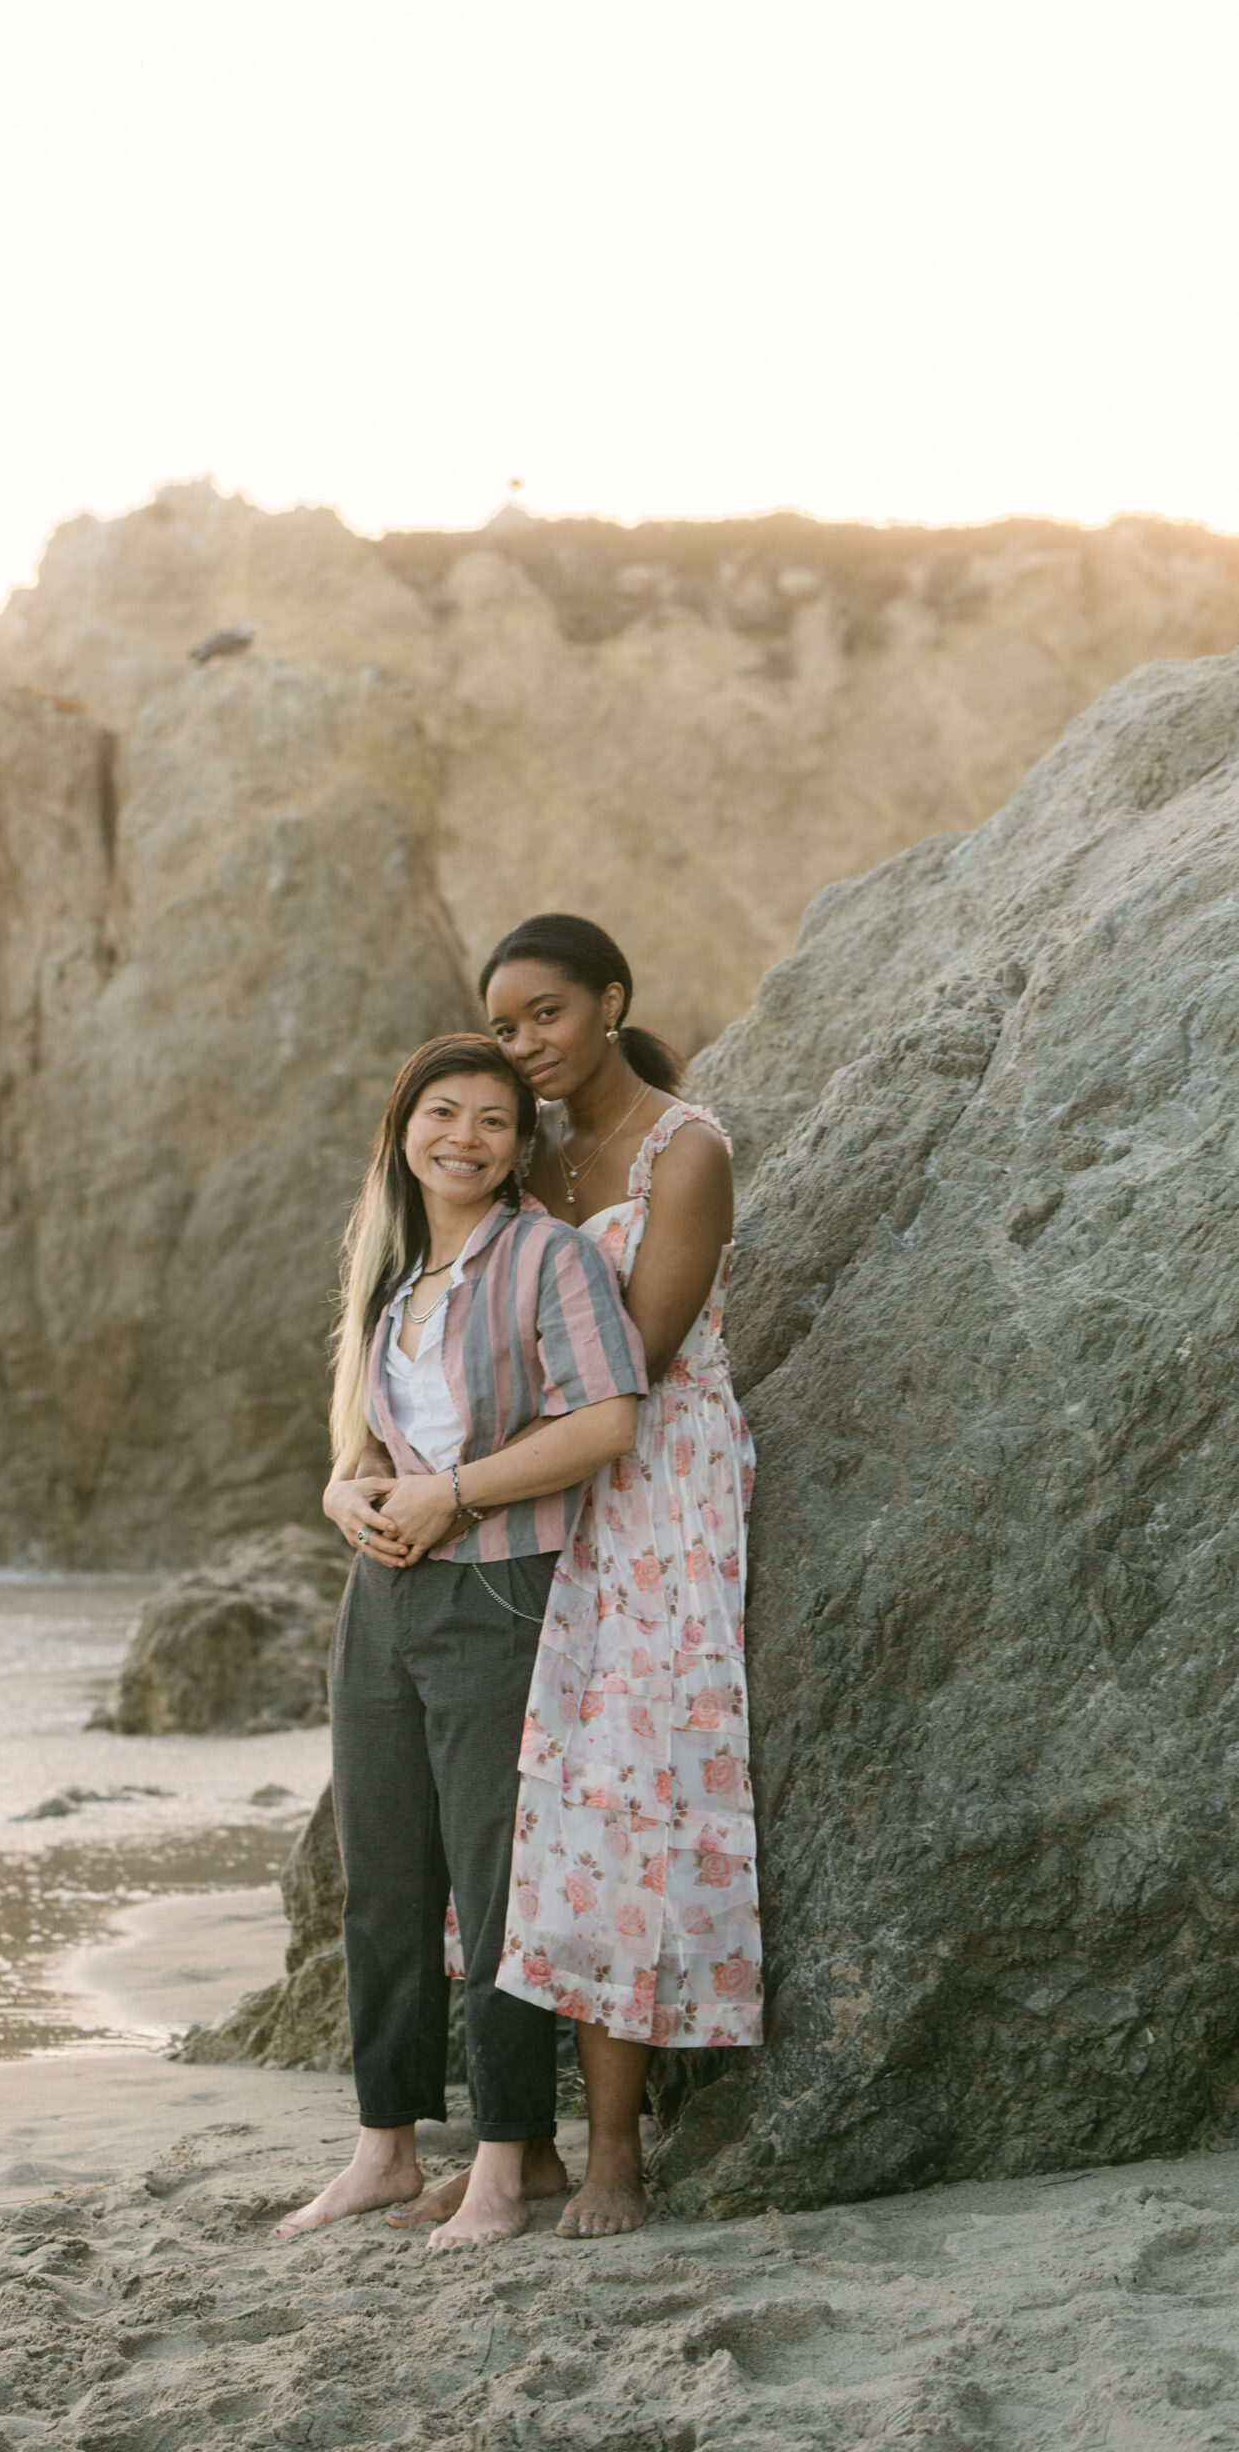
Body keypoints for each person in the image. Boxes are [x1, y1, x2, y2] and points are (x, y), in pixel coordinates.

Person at [388, 914, 761, 2242]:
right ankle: (516, 2143)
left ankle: (613, 2152)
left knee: (624, 1798)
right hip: (527, 1484)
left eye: (545, 1013)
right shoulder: (518, 1145)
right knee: (513, 1804)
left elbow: (635, 1354)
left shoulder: (687, 1149)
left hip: (650, 1488)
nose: (524, 1045)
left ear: (610, 1002)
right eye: (503, 1024)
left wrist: (471, 1452)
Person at [273, 1032, 647, 2251]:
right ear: (403, 1128)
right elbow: (369, 1447)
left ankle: (499, 2159)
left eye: (494, 1120)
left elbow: (606, 1419)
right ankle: (383, 2147)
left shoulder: (547, 1257)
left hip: (495, 1590)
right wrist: (345, 1491)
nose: (465, 1139)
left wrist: (462, 1493)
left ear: (517, 1142)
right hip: (377, 1601)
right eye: (442, 1113)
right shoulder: (390, 1275)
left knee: (495, 1884)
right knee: (383, 1876)